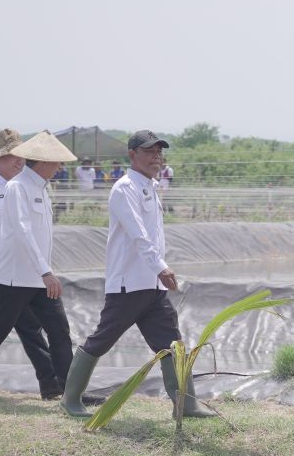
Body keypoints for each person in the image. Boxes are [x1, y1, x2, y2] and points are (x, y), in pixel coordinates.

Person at [62, 130, 214, 418]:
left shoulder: (150, 187)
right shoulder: (124, 189)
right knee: (102, 340)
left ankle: (186, 405)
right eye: (149, 151)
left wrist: (157, 271)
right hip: (128, 285)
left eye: (159, 151)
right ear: (132, 155)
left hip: (152, 287)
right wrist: (161, 266)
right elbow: (138, 236)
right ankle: (70, 400)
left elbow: (153, 238)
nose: (156, 156)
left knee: (172, 343)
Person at [0, 132, 86, 405]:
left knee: (53, 330)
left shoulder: (38, 187)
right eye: (57, 162)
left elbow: (39, 235)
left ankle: (65, 390)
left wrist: (45, 270)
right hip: (7, 275)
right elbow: (11, 230)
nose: (60, 167)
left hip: (31, 275)